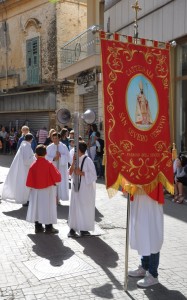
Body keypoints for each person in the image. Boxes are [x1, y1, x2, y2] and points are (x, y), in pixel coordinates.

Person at [128, 184, 164, 288]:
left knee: (152, 236)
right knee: (143, 235)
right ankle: (144, 267)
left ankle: (153, 274)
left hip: (151, 200)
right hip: (140, 199)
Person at [26, 144, 61, 234]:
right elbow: (57, 177)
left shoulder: (33, 165)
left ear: (36, 154)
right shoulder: (49, 164)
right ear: (46, 153)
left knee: (37, 208)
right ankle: (49, 228)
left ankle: (38, 227)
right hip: (47, 190)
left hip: (35, 191)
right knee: (48, 208)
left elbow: (29, 181)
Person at [68, 141, 97, 237]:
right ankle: (73, 227)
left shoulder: (88, 160)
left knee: (83, 207)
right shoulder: (75, 159)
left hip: (85, 188)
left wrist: (82, 173)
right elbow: (70, 172)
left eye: (76, 150)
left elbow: (93, 176)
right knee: (74, 206)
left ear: (80, 150)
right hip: (75, 187)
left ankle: (84, 228)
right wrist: (73, 162)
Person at [1, 133, 35, 205]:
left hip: (24, 168)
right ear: (31, 139)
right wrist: (34, 158)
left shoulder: (24, 145)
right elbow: (26, 160)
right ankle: (25, 199)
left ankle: (25, 199)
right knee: (26, 184)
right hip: (25, 169)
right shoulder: (26, 147)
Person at [46, 132, 71, 202]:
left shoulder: (64, 147)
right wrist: (53, 159)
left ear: (59, 138)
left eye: (56, 138)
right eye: (53, 138)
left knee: (61, 182)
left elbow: (68, 157)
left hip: (61, 168)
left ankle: (59, 198)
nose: (54, 140)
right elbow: (46, 157)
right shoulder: (49, 147)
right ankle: (53, 198)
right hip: (53, 168)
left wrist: (61, 156)